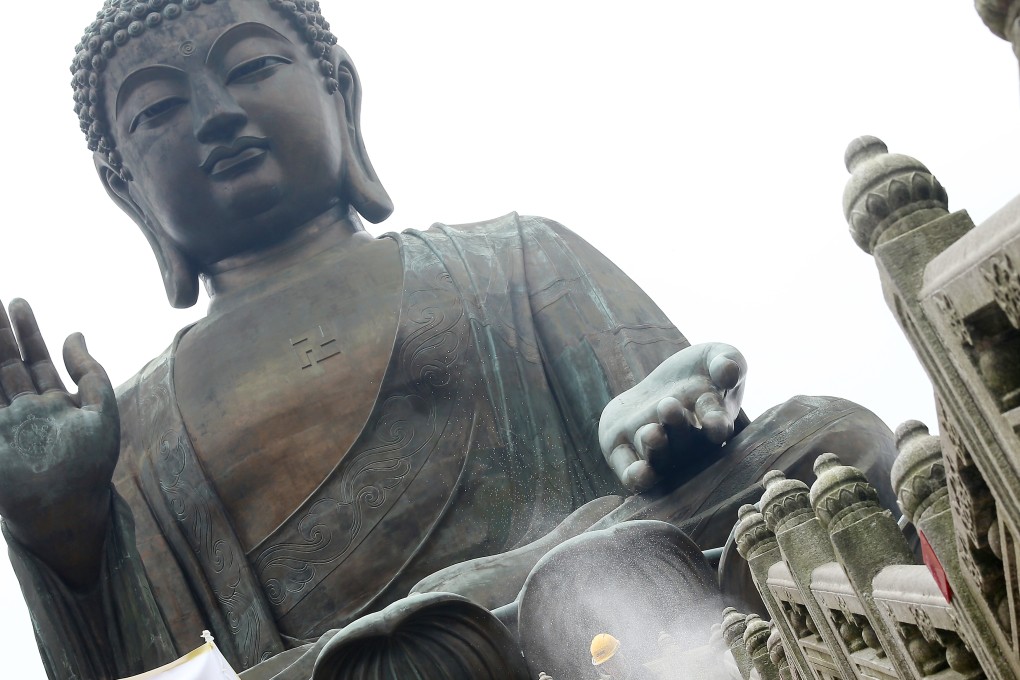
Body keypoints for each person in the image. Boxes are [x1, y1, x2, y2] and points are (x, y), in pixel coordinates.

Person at [0, 0, 899, 678]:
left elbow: (692, 460)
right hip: (380, 658)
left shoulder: (513, 255)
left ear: (339, 93)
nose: (215, 115)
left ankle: (484, 610)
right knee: (559, 591)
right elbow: (161, 674)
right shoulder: (129, 430)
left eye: (252, 66)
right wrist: (61, 536)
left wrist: (667, 420)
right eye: (157, 110)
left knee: (831, 434)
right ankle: (487, 612)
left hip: (608, 586)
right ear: (125, 188)